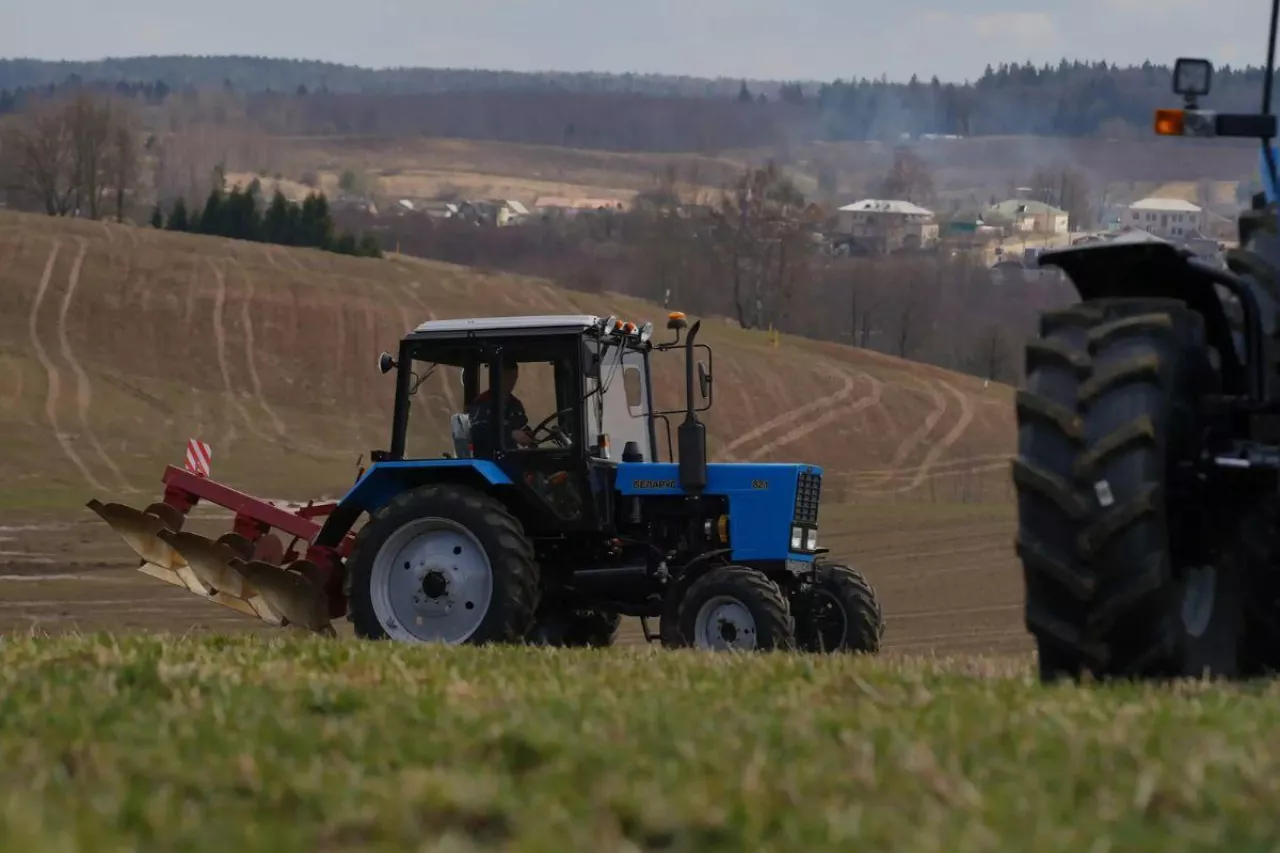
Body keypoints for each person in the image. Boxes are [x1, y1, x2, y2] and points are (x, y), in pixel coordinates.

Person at [466, 362, 536, 456]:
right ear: (498, 377)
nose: (511, 381)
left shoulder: (515, 404)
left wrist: (527, 433)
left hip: (511, 455)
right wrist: (510, 434)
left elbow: (521, 424)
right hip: (488, 457)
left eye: (514, 377)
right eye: (507, 377)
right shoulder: (482, 402)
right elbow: (477, 431)